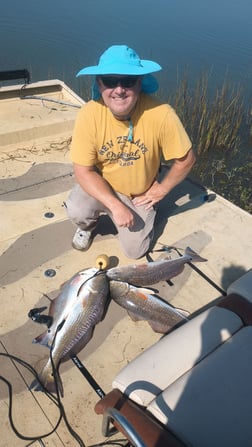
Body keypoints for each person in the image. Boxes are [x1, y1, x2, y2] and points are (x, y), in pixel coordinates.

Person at [65, 45, 195, 259]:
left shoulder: (161, 114)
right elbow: (83, 171)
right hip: (103, 185)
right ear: (99, 83)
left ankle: (139, 217)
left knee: (136, 252)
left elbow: (186, 159)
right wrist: (115, 206)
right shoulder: (89, 114)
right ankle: (88, 226)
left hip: (139, 195)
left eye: (127, 81)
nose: (118, 90)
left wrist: (162, 189)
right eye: (109, 81)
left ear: (140, 82)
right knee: (77, 210)